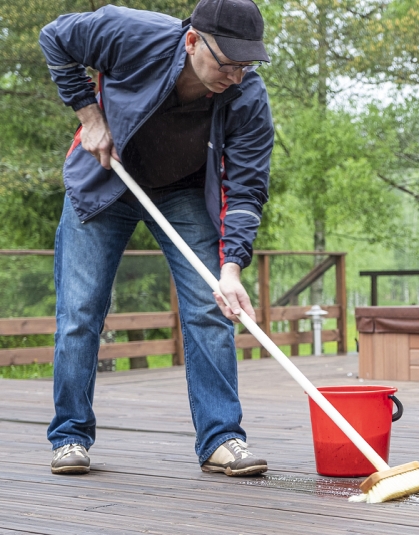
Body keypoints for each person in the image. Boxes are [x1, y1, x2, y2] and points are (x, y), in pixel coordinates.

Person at [39, 0, 273, 476]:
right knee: (80, 311)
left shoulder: (247, 97)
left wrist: (231, 269)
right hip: (107, 180)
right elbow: (55, 38)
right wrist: (90, 115)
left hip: (181, 191)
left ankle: (221, 438)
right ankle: (69, 437)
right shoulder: (130, 33)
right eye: (227, 64)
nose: (236, 76)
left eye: (246, 65)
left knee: (211, 306)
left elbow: (245, 188)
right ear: (193, 42)